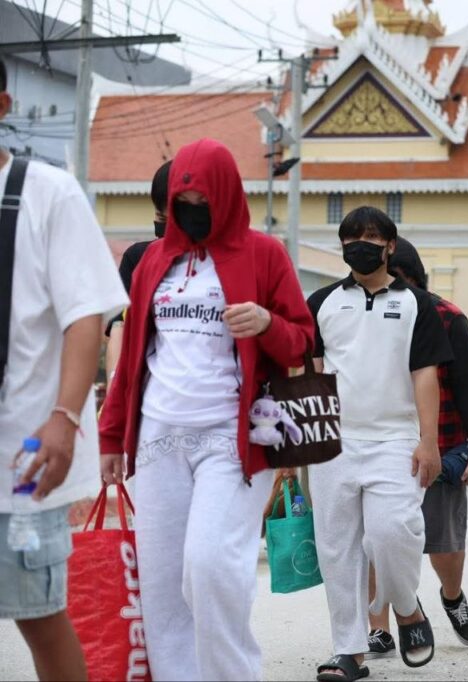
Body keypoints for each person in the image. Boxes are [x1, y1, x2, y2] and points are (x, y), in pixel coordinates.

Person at [99, 138, 314, 681]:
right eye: (183, 203)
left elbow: (302, 342)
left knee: (211, 566)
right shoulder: (152, 262)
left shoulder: (264, 254)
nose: (193, 212)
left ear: (227, 197)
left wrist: (266, 323)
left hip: (233, 439)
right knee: (163, 585)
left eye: (203, 202)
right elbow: (132, 358)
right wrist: (111, 437)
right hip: (159, 438)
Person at [0, 57, 128, 681]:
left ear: (3, 106)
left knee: (39, 616)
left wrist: (64, 418)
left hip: (23, 458)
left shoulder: (47, 194)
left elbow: (85, 316)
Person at [306, 207, 452, 679]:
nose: (359, 247)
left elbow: (425, 374)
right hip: (334, 441)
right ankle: (349, 650)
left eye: (369, 239)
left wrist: (428, 441)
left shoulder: (417, 305)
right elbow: (311, 372)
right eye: (350, 240)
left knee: (392, 532)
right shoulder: (321, 302)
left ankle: (406, 607)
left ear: (390, 246)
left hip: (395, 438)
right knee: (337, 548)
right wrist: (304, 442)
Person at [365, 238, 468, 656]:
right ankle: (379, 625)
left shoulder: (448, 318)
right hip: (381, 445)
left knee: (445, 543)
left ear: (412, 278)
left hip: (442, 445)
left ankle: (452, 597)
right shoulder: (365, 314)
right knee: (377, 539)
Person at [105, 160, 172, 383]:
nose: (165, 228)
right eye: (160, 218)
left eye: (171, 220)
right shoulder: (138, 258)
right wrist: (115, 382)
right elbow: (118, 326)